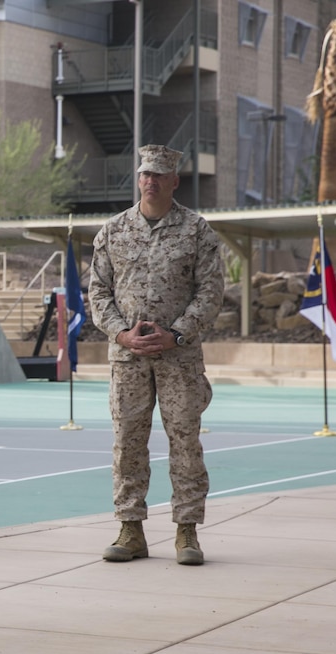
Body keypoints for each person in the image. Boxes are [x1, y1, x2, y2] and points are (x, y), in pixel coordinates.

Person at [87, 144, 225, 566]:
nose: (150, 181)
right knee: (128, 441)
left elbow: (211, 290)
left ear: (174, 181)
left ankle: (187, 531)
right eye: (145, 174)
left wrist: (177, 334)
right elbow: (97, 292)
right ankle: (130, 529)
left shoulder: (198, 231)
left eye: (159, 175)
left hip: (179, 359)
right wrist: (122, 334)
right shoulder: (113, 231)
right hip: (128, 359)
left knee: (185, 440)